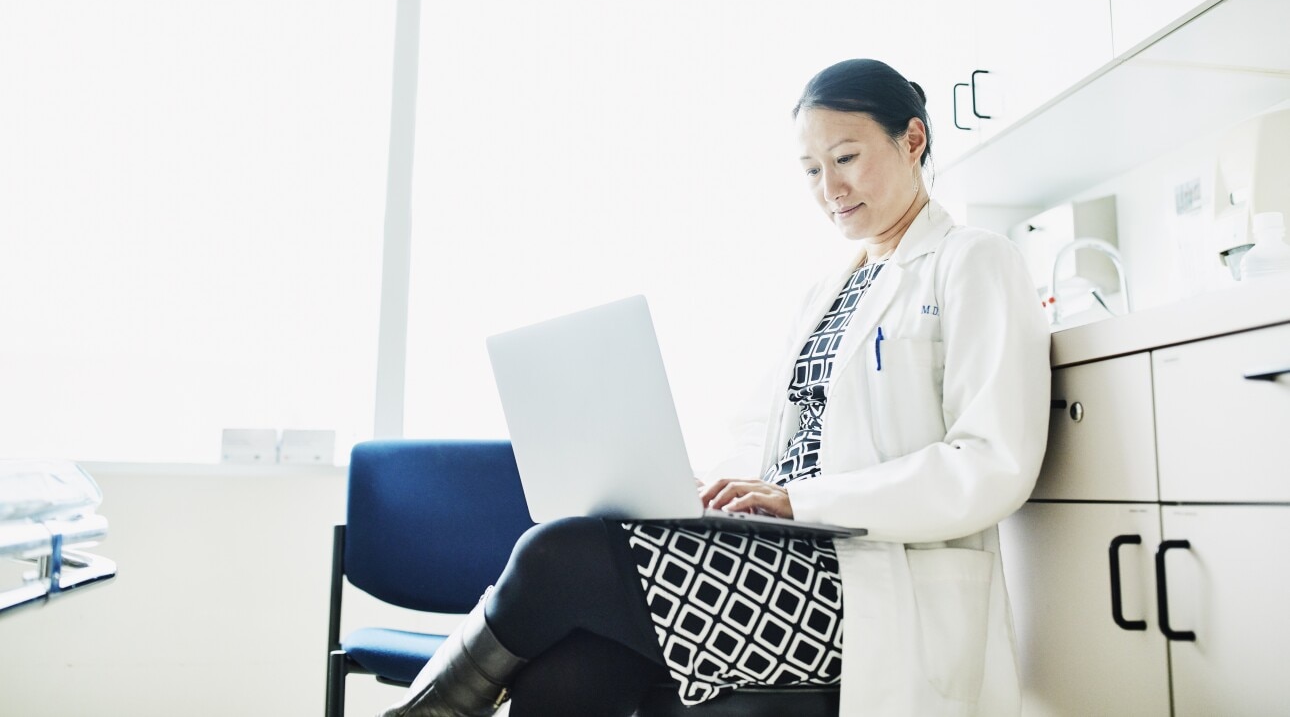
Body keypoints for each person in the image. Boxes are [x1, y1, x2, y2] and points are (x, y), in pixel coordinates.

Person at [379, 58, 1051, 717]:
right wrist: (695, 494)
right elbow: (760, 438)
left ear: (912, 140)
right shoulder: (827, 293)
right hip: (782, 556)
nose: (830, 188)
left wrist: (796, 499)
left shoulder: (973, 262)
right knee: (577, 662)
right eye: (812, 171)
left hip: (869, 586)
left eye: (845, 158)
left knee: (557, 554)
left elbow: (990, 465)